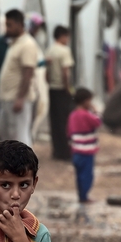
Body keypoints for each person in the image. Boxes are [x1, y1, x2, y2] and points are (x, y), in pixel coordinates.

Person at [0, 9, 41, 146]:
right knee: (2, 130)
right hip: (7, 97)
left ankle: (26, 166)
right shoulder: (15, 43)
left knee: (21, 136)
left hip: (18, 98)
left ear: (20, 24)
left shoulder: (27, 44)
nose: (7, 28)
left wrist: (20, 98)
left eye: (10, 25)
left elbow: (28, 72)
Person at [68, 88, 102, 222]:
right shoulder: (87, 115)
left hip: (76, 149)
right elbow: (98, 122)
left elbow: (69, 132)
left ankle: (81, 195)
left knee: (79, 175)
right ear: (86, 101)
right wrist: (96, 111)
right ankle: (84, 196)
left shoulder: (73, 115)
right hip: (87, 150)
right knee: (87, 174)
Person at [45, 25, 75, 160]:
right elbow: (65, 72)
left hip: (52, 89)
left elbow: (46, 73)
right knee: (64, 121)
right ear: (62, 36)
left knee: (55, 120)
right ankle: (65, 152)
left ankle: (56, 150)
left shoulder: (50, 50)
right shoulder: (64, 51)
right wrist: (68, 88)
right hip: (62, 89)